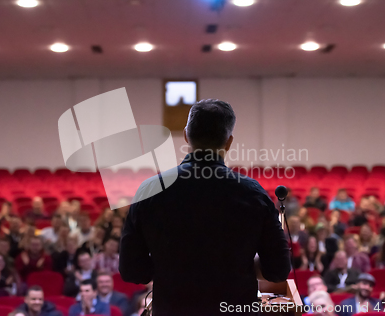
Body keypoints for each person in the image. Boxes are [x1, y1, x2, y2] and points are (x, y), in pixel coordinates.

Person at [120, 99, 290, 315]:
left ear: (185, 136)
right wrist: (241, 263)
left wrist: (171, 265)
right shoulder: (253, 193)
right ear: (228, 142)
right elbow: (278, 270)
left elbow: (132, 271)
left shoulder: (150, 190)